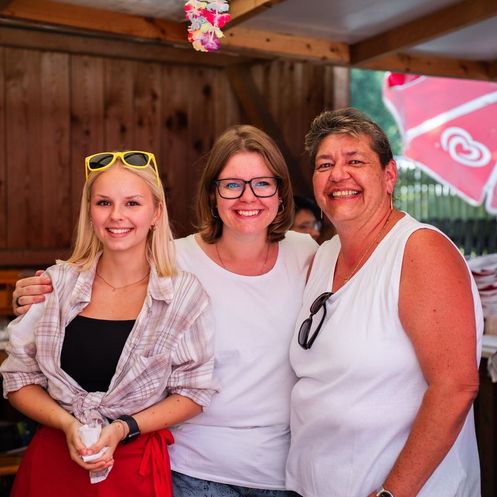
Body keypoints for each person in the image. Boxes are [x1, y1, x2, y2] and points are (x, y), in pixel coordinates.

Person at [12, 127, 318, 496]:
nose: (248, 196)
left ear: (281, 193)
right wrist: (34, 294)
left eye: (262, 184)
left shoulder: (309, 255)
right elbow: (110, 262)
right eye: (232, 184)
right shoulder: (172, 260)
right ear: (212, 193)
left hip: (279, 466)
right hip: (190, 465)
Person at [286, 108, 483, 497]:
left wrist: (392, 493)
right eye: (325, 164)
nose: (338, 174)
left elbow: (455, 386)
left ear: (389, 175)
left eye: (355, 161)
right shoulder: (323, 255)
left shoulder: (420, 250)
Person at [2, 151, 216, 497]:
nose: (117, 216)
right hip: (53, 463)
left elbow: (194, 392)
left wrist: (123, 428)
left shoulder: (184, 295)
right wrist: (68, 425)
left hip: (134, 469)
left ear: (156, 213)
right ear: (90, 212)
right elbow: (17, 379)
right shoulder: (56, 285)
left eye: (132, 203)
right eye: (104, 203)